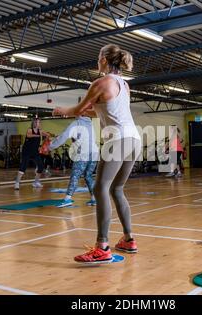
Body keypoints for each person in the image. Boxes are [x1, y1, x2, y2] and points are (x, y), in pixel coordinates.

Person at [53, 44, 141, 264]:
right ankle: (129, 239)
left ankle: (102, 246)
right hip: (134, 139)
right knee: (117, 188)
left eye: (97, 57)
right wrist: (79, 110)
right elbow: (100, 109)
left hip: (118, 139)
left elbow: (78, 109)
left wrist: (63, 111)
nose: (96, 61)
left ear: (103, 60)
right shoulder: (124, 84)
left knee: (102, 187)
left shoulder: (100, 83)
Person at [49, 116, 99, 208]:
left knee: (75, 175)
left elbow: (64, 136)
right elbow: (79, 137)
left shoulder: (76, 123)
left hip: (83, 153)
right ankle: (94, 199)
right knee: (88, 176)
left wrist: (50, 146)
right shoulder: (90, 123)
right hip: (95, 153)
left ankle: (67, 199)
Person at [14, 117, 51, 190]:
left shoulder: (40, 131)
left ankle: (36, 182)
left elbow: (48, 135)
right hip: (27, 152)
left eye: (40, 122)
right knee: (23, 167)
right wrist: (40, 135)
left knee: (41, 166)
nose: (40, 123)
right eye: (38, 122)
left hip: (35, 152)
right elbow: (29, 135)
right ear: (34, 123)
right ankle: (17, 182)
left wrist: (47, 138)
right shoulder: (30, 130)